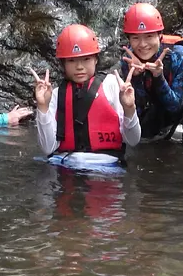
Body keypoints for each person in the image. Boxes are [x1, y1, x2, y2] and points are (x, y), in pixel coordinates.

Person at [33, 24, 141, 170]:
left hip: (106, 167)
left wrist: (129, 108)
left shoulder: (113, 85)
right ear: (63, 63)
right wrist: (42, 107)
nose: (79, 67)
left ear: (96, 59)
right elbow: (48, 148)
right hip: (66, 166)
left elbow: (133, 140)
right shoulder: (56, 94)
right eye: (72, 61)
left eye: (86, 59)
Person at [119, 2, 183, 144]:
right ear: (129, 40)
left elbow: (175, 106)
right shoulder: (128, 60)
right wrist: (137, 78)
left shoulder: (179, 55)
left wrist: (158, 77)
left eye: (149, 36)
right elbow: (138, 107)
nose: (143, 44)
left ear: (160, 36)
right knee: (143, 137)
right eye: (135, 38)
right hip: (162, 102)